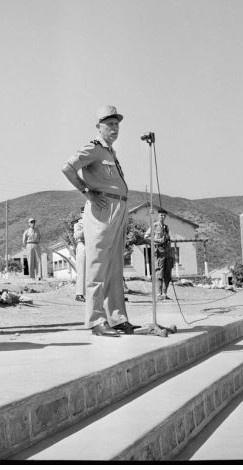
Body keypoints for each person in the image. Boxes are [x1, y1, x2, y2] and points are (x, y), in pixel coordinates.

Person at [62, 105, 139, 337]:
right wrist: (86, 191)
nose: (114, 128)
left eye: (116, 125)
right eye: (109, 124)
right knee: (97, 265)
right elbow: (67, 168)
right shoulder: (94, 148)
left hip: (118, 208)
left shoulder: (110, 151)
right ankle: (95, 320)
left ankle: (117, 318)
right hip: (101, 209)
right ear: (99, 127)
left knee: (115, 266)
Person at [144, 208, 174, 300]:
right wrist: (158, 240)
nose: (163, 217)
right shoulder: (154, 225)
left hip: (167, 252)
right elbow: (146, 237)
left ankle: (164, 293)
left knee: (167, 274)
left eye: (164, 215)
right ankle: (158, 294)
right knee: (159, 273)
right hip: (159, 252)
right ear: (158, 216)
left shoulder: (166, 227)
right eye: (161, 215)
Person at [73, 207, 86, 302]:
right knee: (81, 270)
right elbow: (77, 235)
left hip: (91, 247)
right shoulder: (78, 224)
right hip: (82, 245)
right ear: (81, 214)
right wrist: (86, 228)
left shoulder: (92, 222)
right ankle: (79, 294)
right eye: (84, 212)